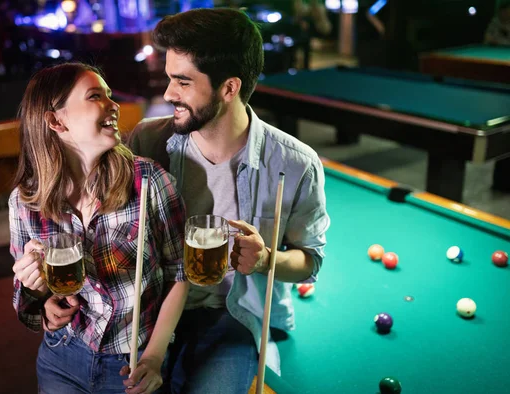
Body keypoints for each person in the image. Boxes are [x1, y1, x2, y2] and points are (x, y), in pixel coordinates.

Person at [45, 7, 330, 393]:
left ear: (229, 88)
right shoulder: (147, 141)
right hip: (149, 312)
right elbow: (99, 224)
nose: (167, 94)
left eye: (182, 82)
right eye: (169, 78)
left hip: (229, 317)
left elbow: (309, 260)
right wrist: (50, 296)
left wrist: (266, 260)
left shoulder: (295, 164)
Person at [9, 62, 189, 394]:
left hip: (131, 364)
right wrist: (38, 294)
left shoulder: (149, 180)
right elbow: (32, 306)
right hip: (61, 355)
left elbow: (180, 274)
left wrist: (153, 357)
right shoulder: (24, 202)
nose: (113, 104)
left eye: (109, 95)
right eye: (96, 96)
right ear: (55, 120)